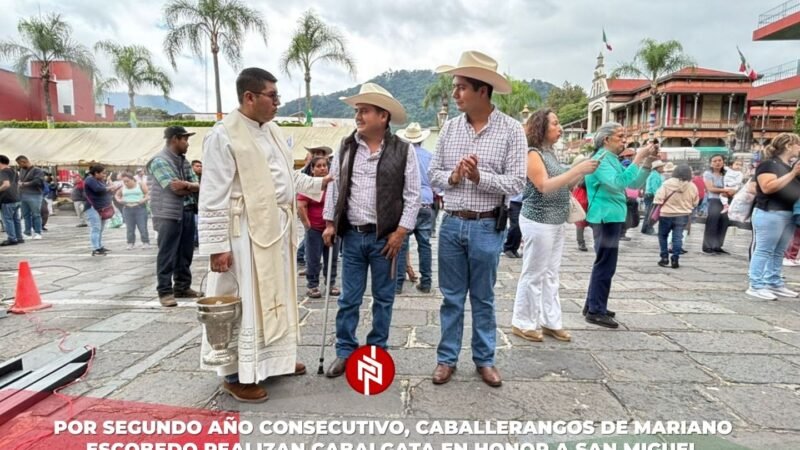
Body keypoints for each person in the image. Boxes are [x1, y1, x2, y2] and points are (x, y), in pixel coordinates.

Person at [199, 68, 328, 403]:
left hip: (275, 230)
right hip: (243, 235)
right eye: (272, 96)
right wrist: (217, 247)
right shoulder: (223, 135)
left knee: (274, 298)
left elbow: (286, 177)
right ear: (249, 97)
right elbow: (212, 193)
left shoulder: (271, 131)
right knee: (244, 302)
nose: (278, 103)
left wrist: (319, 184)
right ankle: (233, 374)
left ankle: (272, 362)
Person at [427, 51, 526, 387]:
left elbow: (516, 182)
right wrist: (454, 178)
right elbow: (433, 174)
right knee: (451, 297)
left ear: (483, 90)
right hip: (452, 222)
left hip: (487, 225)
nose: (455, 94)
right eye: (455, 87)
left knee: (483, 296)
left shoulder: (512, 130)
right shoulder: (450, 129)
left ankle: (485, 359)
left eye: (461, 87)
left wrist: (479, 177)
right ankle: (446, 358)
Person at [321, 82, 420, 378]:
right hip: (352, 235)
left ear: (383, 116)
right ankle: (345, 351)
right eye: (357, 110)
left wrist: (401, 232)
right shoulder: (346, 145)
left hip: (386, 238)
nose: (358, 116)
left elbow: (413, 195)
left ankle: (377, 350)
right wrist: (329, 222)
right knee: (348, 298)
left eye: (364, 111)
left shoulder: (404, 150)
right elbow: (336, 186)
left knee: (384, 299)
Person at [511, 109, 598, 343]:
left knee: (550, 273)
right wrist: (577, 169)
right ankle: (523, 321)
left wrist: (578, 176)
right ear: (541, 127)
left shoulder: (550, 153)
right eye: (555, 124)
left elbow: (561, 185)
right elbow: (543, 186)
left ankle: (551, 321)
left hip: (556, 220)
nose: (560, 129)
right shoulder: (532, 153)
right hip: (538, 221)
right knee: (534, 273)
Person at [583, 123, 656, 329]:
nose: (624, 140)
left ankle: (593, 304)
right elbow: (617, 183)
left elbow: (632, 183)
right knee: (605, 264)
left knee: (605, 263)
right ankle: (595, 310)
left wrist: (647, 163)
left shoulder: (612, 159)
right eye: (620, 136)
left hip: (611, 215)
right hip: (604, 216)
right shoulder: (602, 159)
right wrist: (638, 158)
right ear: (606, 139)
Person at [148, 125, 203, 307]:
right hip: (167, 214)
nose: (187, 143)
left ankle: (182, 286)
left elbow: (197, 185)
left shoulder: (183, 161)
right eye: (185, 139)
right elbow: (174, 189)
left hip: (187, 210)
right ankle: (164, 291)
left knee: (185, 252)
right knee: (167, 253)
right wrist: (189, 186)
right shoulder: (159, 161)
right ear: (174, 139)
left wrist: (186, 185)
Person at [746, 133, 800, 300]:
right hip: (770, 212)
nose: (799, 148)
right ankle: (755, 284)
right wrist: (792, 174)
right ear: (788, 145)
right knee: (763, 250)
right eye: (797, 144)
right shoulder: (768, 165)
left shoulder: (788, 166)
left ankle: (773, 281)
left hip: (788, 213)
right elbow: (767, 187)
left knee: (779, 251)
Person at [395, 122, 435, 294]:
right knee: (424, 244)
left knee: (401, 244)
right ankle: (426, 282)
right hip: (426, 203)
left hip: (407, 204)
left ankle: (397, 284)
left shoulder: (400, 156)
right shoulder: (430, 156)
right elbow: (436, 183)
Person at [298, 156, 339, 298]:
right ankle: (313, 285)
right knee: (313, 258)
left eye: (324, 165)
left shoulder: (333, 185)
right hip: (315, 228)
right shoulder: (309, 185)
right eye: (319, 166)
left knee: (332, 257)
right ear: (312, 169)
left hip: (332, 227)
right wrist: (307, 225)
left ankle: (331, 283)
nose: (322, 168)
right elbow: (301, 205)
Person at [653, 164, 698, 269]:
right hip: (683, 215)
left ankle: (664, 257)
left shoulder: (667, 183)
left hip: (666, 214)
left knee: (663, 236)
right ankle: (675, 258)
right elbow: (695, 202)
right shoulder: (692, 186)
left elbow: (658, 199)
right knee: (677, 237)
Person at [702, 154, 736, 255]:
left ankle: (717, 245)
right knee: (712, 223)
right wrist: (725, 190)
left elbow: (734, 186)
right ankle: (708, 246)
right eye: (715, 161)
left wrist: (731, 191)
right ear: (711, 163)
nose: (717, 163)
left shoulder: (727, 174)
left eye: (719, 160)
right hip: (714, 200)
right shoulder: (708, 174)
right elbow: (710, 188)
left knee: (723, 223)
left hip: (726, 201)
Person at [84, 164, 121, 256]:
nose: (104, 175)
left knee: (100, 228)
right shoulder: (90, 180)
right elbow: (98, 190)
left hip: (102, 207)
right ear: (96, 173)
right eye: (103, 173)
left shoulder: (100, 180)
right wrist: (109, 187)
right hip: (93, 207)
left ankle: (99, 246)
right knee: (96, 228)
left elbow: (105, 191)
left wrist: (113, 188)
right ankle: (95, 248)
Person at [115, 172, 151, 250]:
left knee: (142, 227)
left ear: (133, 179)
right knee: (130, 228)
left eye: (127, 181)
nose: (126, 183)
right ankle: (130, 243)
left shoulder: (140, 184)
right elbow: (117, 195)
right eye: (124, 181)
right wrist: (119, 200)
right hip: (127, 208)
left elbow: (147, 194)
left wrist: (143, 199)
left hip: (139, 208)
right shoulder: (123, 187)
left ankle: (145, 242)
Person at [15, 155, 44, 240]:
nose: (19, 166)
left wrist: (24, 184)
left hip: (34, 195)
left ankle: (38, 232)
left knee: (36, 214)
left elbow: (38, 181)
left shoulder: (37, 170)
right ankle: (27, 232)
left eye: (19, 163)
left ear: (24, 161)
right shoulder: (22, 170)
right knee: (25, 215)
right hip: (23, 195)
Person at [0, 155, 22, 246]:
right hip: (15, 198)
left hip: (7, 199)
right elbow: (17, 185)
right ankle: (19, 237)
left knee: (8, 219)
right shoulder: (14, 171)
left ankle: (12, 239)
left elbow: (6, 184)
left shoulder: (3, 172)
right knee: (16, 219)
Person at [640, 160, 665, 235]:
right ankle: (648, 228)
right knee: (650, 213)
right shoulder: (655, 175)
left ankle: (645, 228)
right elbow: (654, 188)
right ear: (658, 168)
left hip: (650, 195)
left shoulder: (654, 174)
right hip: (652, 196)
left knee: (648, 213)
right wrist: (658, 197)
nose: (663, 168)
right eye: (661, 167)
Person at [503, 193, 523, 258]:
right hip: (514, 202)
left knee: (521, 227)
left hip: (526, 202)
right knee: (515, 225)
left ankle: (514, 249)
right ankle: (508, 248)